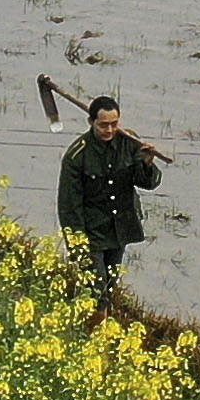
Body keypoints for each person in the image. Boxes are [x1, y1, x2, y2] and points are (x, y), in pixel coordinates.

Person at [56, 96, 164, 293]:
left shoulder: (129, 143)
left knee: (111, 284)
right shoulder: (77, 156)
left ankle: (104, 319)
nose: (109, 130)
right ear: (91, 122)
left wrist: (146, 163)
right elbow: (69, 207)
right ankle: (94, 321)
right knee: (94, 289)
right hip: (91, 233)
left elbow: (148, 183)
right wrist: (77, 246)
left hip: (119, 229)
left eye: (114, 124)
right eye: (103, 125)